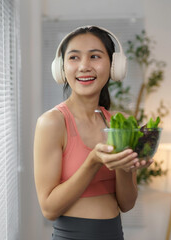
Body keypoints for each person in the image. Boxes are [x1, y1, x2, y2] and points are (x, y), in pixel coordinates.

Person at [33, 26, 154, 240]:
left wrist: (125, 165)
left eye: (95, 56)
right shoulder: (52, 123)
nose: (84, 66)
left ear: (114, 66)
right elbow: (49, 209)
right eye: (74, 57)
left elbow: (126, 204)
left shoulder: (122, 123)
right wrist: (93, 161)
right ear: (61, 68)